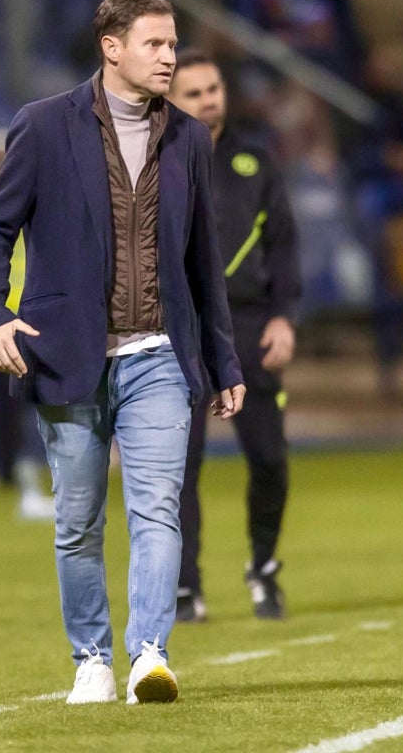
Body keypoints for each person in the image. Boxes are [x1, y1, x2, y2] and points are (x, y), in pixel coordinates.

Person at [0, 0, 244, 706]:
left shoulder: (189, 138)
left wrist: (222, 362)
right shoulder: (42, 126)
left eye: (174, 43)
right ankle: (91, 657)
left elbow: (203, 262)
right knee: (78, 520)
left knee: (158, 508)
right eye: (155, 44)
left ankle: (149, 652)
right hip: (66, 354)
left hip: (159, 356)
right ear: (111, 48)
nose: (170, 56)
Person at [166, 50, 300, 623]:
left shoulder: (255, 162)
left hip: (248, 326)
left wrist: (284, 317)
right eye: (193, 93)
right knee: (178, 468)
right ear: (170, 101)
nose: (208, 99)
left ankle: (264, 567)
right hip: (181, 330)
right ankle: (183, 586)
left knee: (269, 459)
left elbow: (286, 248)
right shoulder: (156, 162)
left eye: (213, 88)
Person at [0, 128, 54, 521]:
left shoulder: (34, 195)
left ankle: (32, 476)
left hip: (29, 311)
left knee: (31, 399)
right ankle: (11, 472)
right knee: (4, 403)